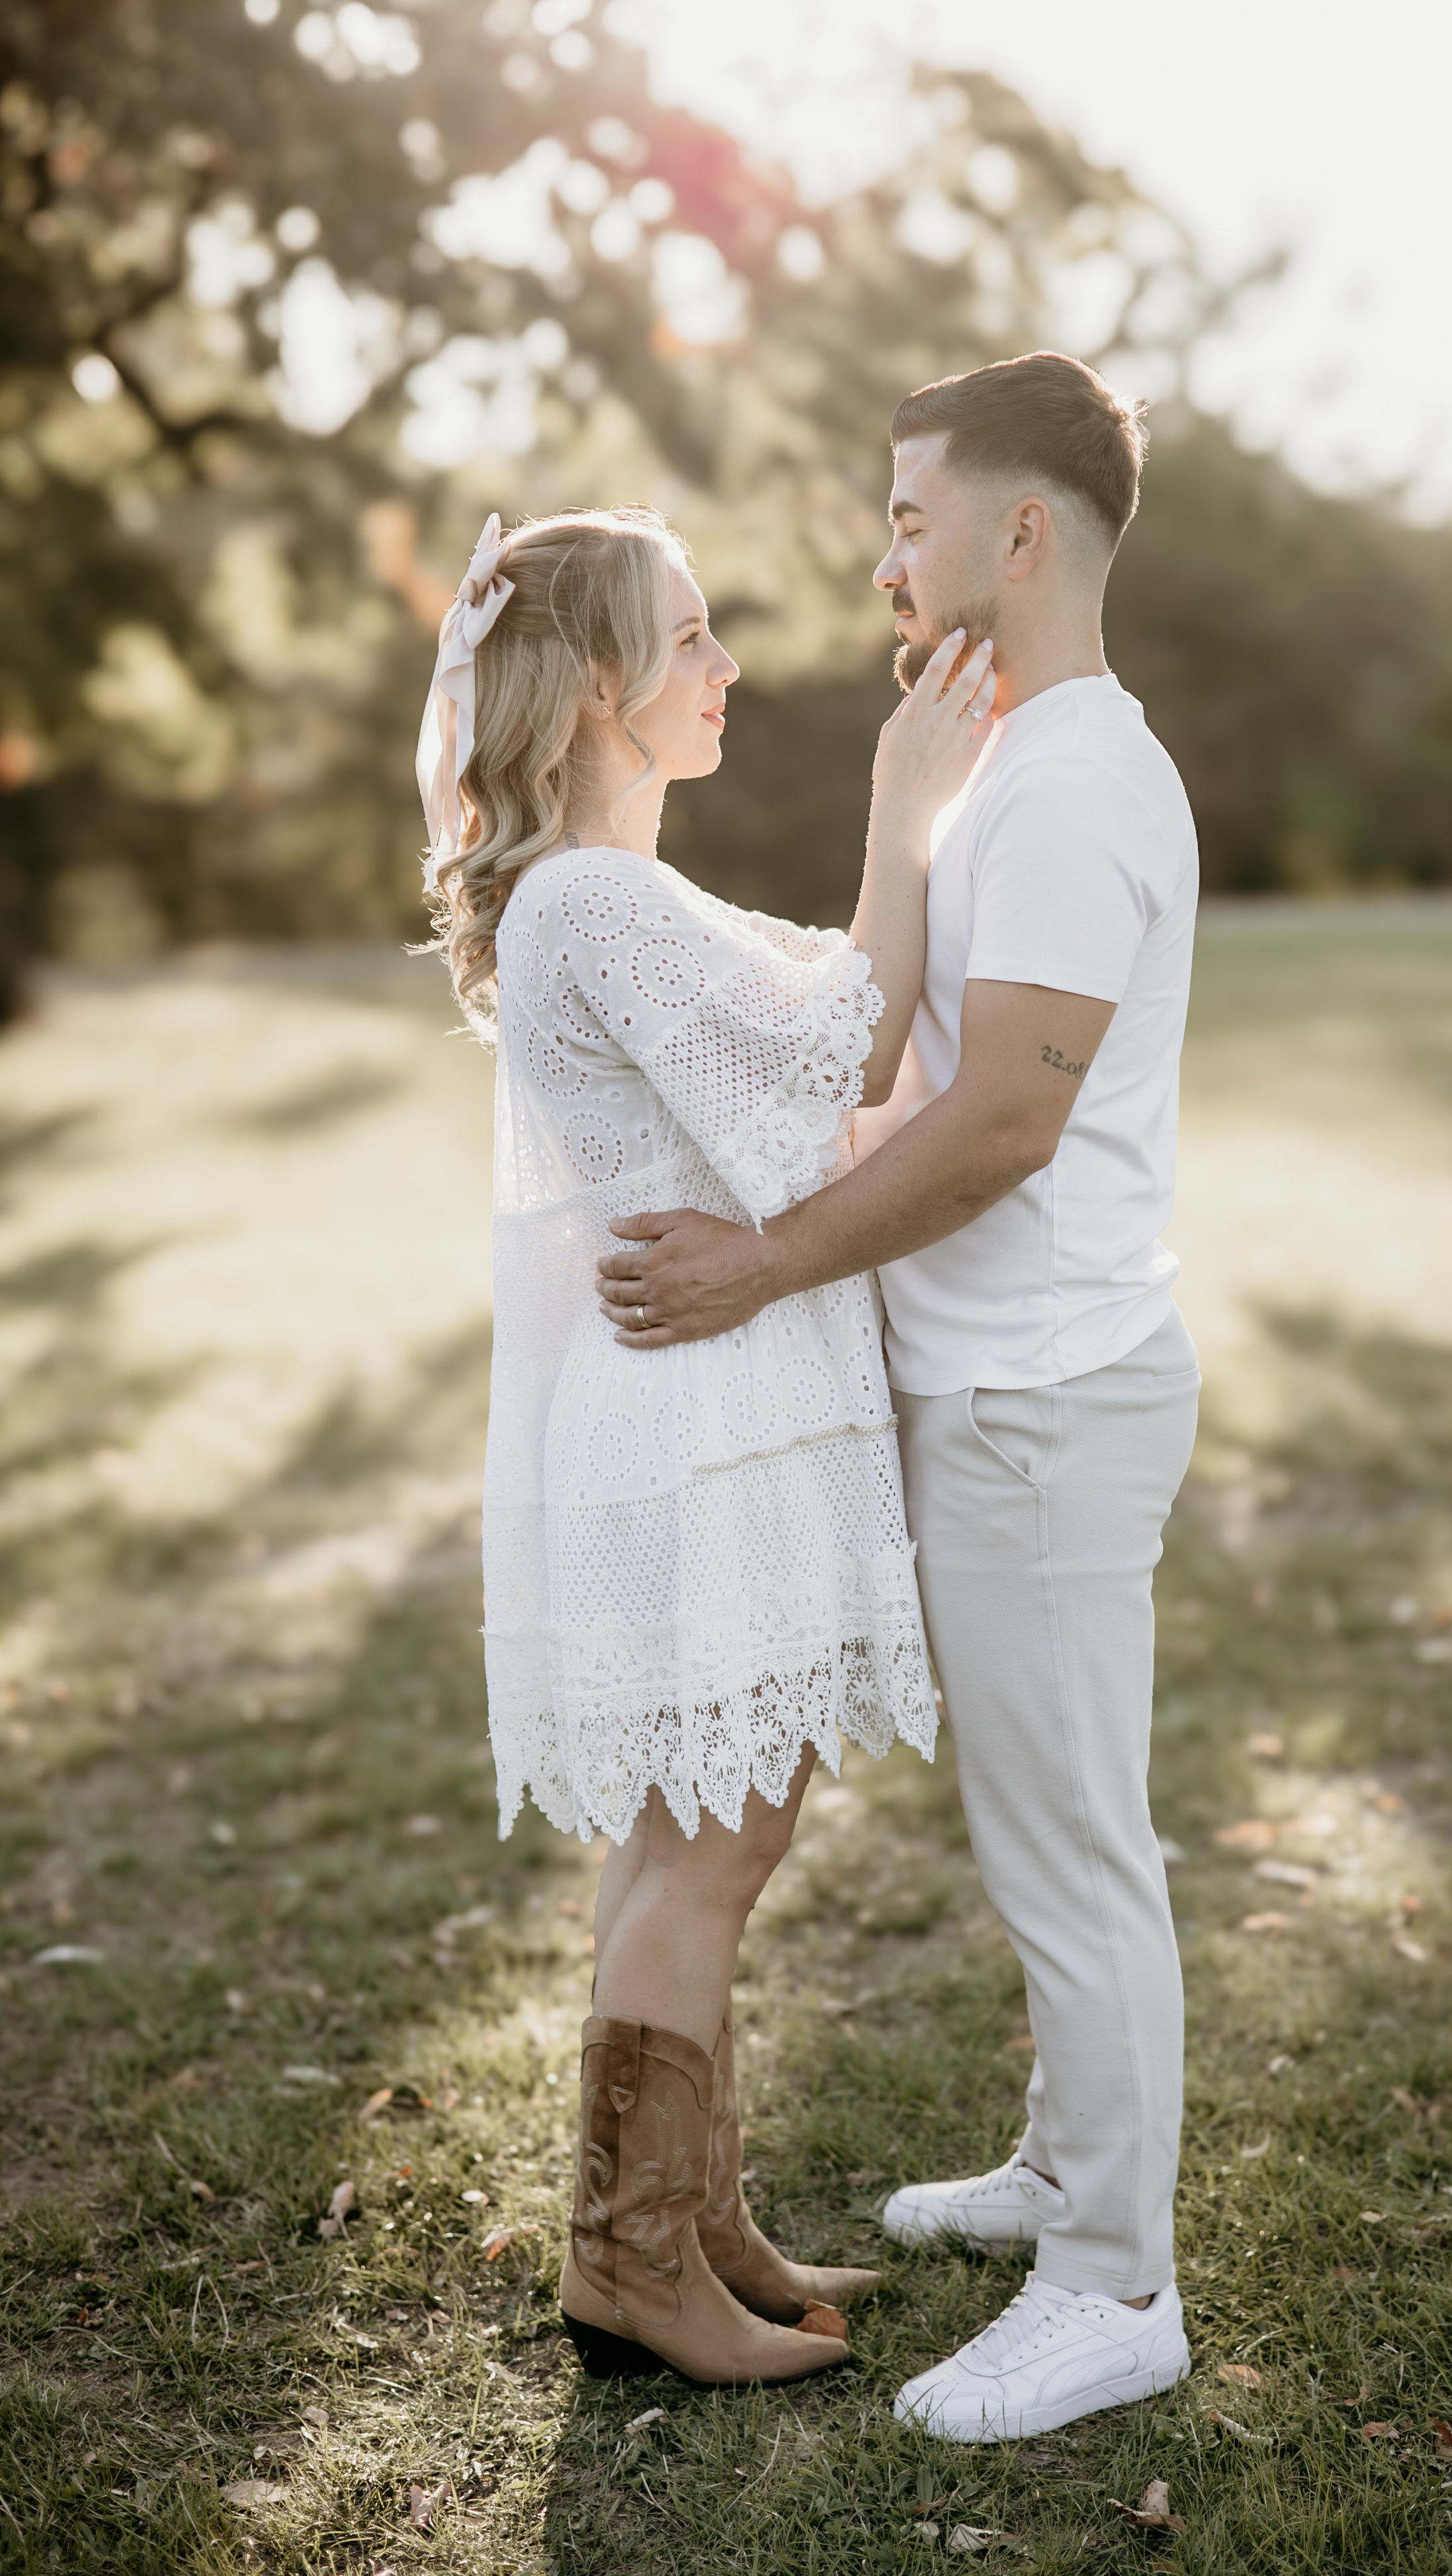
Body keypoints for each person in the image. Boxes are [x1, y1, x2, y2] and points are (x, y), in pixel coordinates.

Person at [594, 351, 1204, 2441]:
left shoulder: (1075, 786)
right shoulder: (1006, 770)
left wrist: (759, 1265)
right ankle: (1065, 2165)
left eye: (914, 513)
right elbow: (910, 1079)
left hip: (1046, 1397)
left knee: (1070, 1848)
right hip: (1001, 1387)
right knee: (1048, 1822)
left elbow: (1007, 1130)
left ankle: (1116, 2280)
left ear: (1020, 536)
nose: (885, 557)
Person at [417, 504, 998, 2388]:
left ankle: (694, 2212)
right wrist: (907, 807)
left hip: (703, 1406)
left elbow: (835, 1019)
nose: (727, 665)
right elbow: (835, 1061)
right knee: (717, 1846)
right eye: (693, 637)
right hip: (692, 1424)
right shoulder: (593, 898)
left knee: (684, 1836)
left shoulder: (624, 891)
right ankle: (632, 2261)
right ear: (598, 681)